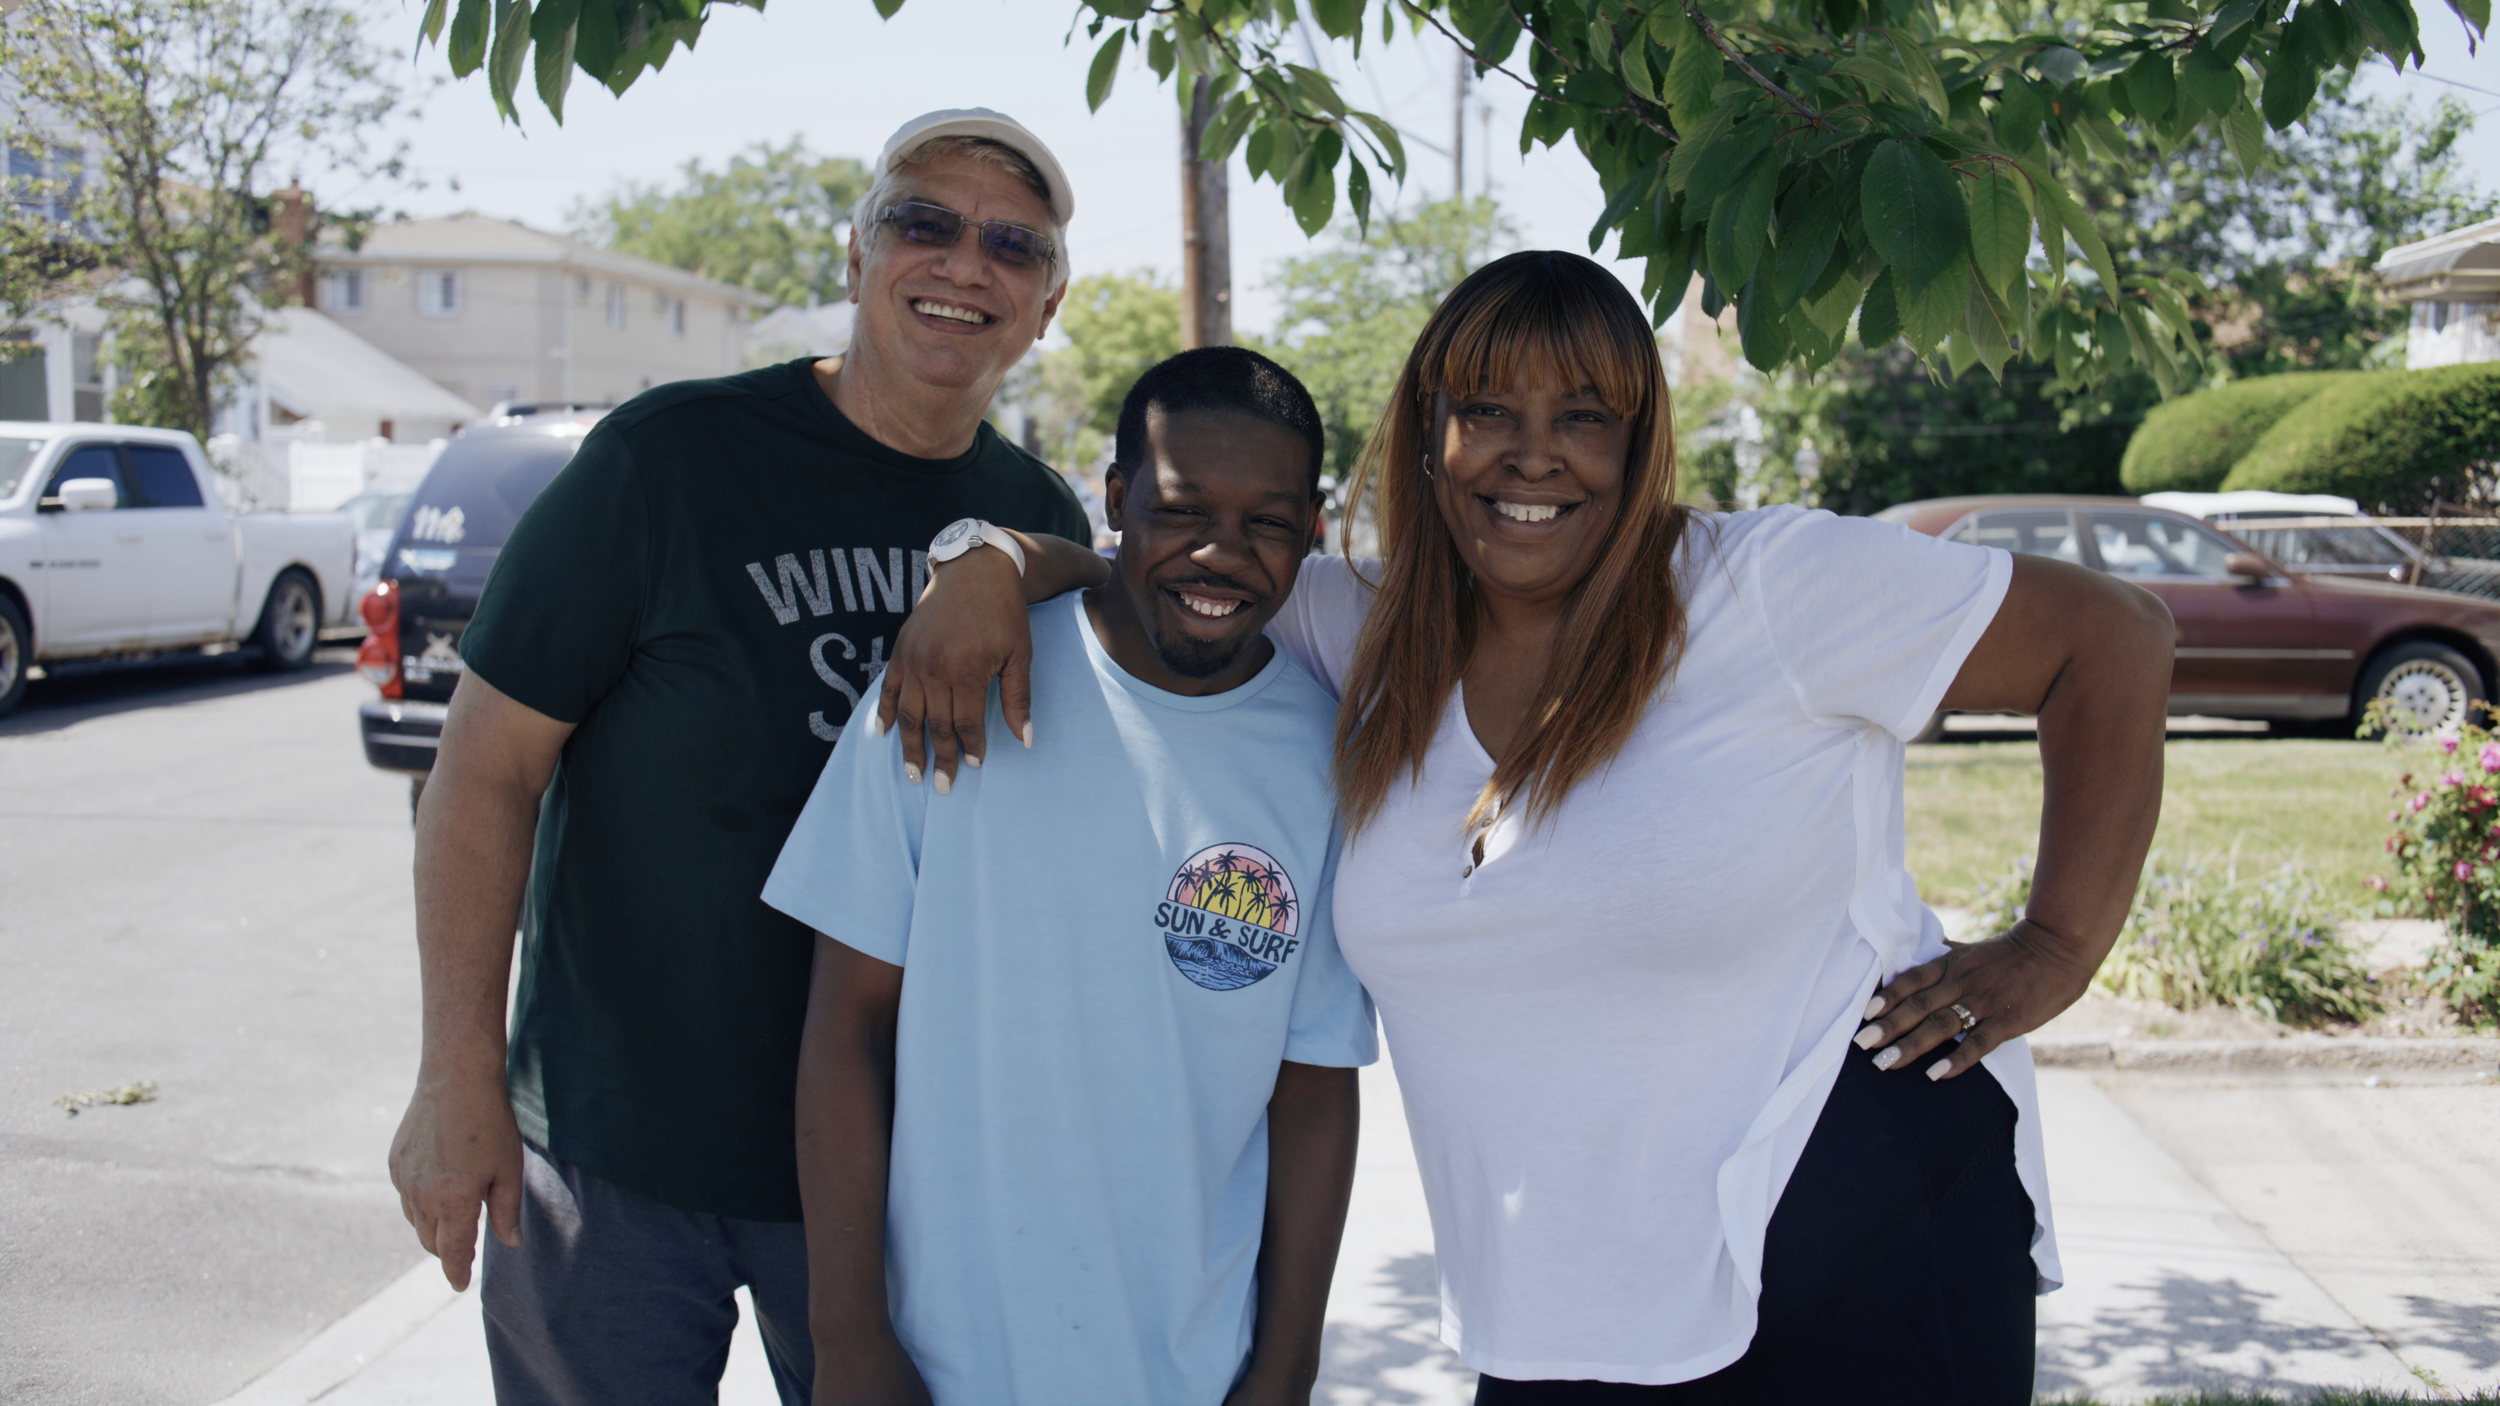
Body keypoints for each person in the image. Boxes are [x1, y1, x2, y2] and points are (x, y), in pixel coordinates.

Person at [877, 251, 2177, 1403]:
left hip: (1855, 1203)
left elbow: (2113, 640)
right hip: (1557, 1286)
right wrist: (984, 560)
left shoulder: (1767, 587)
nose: (1533, 454)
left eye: (1583, 416)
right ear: (1429, 434)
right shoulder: (1363, 626)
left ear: (1638, 440)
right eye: (1488, 410)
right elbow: (1157, 567)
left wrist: (2057, 945)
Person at [383, 108, 1095, 1403]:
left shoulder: (1036, 518)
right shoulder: (665, 462)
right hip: (612, 1152)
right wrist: (454, 1073)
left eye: (1013, 244)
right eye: (923, 222)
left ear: (1047, 304)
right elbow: (484, 769)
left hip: (894, 1172)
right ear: (856, 257)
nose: (963, 263)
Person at [763, 346, 1377, 1406]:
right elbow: (846, 1024)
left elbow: (1314, 1088)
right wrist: (848, 1335)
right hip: (941, 1361)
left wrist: (1286, 1367)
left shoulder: (1324, 760)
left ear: (1313, 528)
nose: (1220, 554)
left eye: (1268, 522)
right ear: (1116, 500)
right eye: (1182, 510)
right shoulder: (951, 681)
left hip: (1192, 1369)